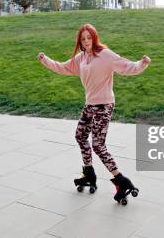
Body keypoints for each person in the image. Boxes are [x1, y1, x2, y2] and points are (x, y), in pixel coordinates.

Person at [37, 23, 151, 204]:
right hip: (90, 105)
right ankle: (89, 173)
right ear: (80, 41)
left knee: (98, 145)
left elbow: (126, 66)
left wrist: (142, 64)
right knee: (80, 136)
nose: (86, 41)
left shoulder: (105, 55)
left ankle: (122, 181)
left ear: (94, 38)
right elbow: (62, 67)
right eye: (83, 39)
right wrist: (46, 60)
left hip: (104, 105)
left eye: (89, 38)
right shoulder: (81, 59)